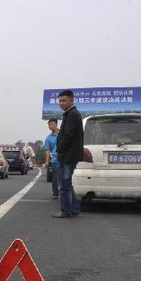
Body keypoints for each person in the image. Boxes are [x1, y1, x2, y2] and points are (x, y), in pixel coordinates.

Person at [53, 90, 83, 218]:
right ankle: (74, 208)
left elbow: (68, 135)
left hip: (68, 156)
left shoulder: (72, 115)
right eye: (60, 101)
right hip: (67, 155)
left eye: (64, 100)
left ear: (71, 100)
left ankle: (65, 211)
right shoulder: (69, 114)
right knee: (67, 184)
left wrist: (59, 149)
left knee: (64, 185)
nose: (61, 103)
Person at [43, 118, 60, 199]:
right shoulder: (49, 137)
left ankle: (65, 193)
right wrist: (47, 161)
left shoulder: (63, 134)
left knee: (66, 177)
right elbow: (47, 150)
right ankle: (55, 193)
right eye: (49, 125)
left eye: (52, 124)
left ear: (56, 124)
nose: (50, 126)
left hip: (65, 159)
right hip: (55, 160)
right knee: (55, 177)